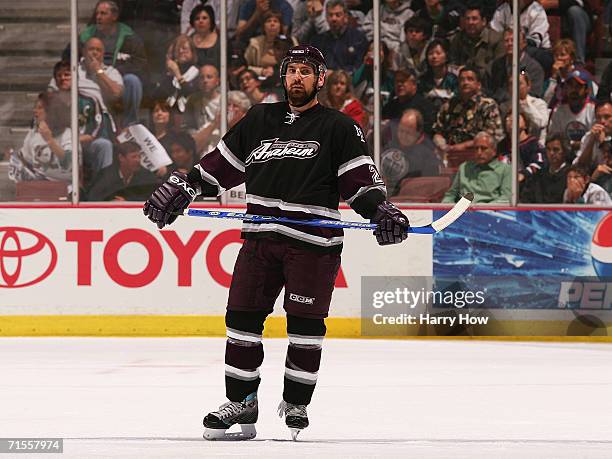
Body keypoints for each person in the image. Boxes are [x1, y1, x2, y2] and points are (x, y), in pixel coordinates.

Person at [143, 44, 411, 440]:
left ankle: (297, 403)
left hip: (313, 244)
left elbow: (359, 183)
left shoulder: (338, 126)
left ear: (320, 79)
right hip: (260, 240)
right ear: (283, 77)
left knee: (305, 328)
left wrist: (381, 211)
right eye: (292, 71)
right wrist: (187, 184)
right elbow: (219, 167)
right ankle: (242, 402)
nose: (297, 77)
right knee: (242, 322)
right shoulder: (260, 119)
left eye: (307, 71)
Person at [79, 0, 147, 126]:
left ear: (114, 16)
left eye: (103, 13)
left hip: (119, 77)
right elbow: (70, 56)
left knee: (133, 80)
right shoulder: (86, 35)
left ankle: (130, 124)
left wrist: (115, 72)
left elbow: (140, 62)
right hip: (90, 75)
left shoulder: (129, 37)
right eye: (97, 13)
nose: (98, 17)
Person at [432, 66, 503, 154]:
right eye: (462, 79)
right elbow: (438, 131)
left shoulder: (487, 105)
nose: (465, 82)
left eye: (470, 79)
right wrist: (441, 143)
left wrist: (461, 147)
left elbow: (492, 136)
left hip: (477, 155)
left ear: (478, 85)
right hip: (450, 155)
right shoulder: (449, 106)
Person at [8, 93, 72, 183]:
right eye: (35, 107)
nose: (35, 110)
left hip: (65, 188)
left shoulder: (68, 134)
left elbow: (69, 164)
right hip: (39, 187)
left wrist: (49, 140)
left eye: (40, 108)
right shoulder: (33, 134)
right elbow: (26, 161)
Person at [380, 108, 441, 195]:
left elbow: (429, 186)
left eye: (408, 133)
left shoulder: (428, 154)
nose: (403, 135)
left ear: (418, 132)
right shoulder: (389, 143)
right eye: (401, 130)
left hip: (409, 200)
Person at [442, 131, 511, 203]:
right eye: (476, 148)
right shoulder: (464, 167)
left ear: (494, 151)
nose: (479, 152)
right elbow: (451, 194)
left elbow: (505, 199)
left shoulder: (505, 170)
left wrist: (481, 210)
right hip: (462, 211)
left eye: (483, 148)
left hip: (489, 211)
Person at [86, 141, 159, 201]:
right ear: (121, 158)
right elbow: (93, 196)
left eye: (139, 156)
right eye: (133, 157)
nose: (138, 160)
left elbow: (154, 197)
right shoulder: (106, 175)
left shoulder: (146, 175)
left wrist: (127, 201)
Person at [311, 0, 369, 73]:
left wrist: (336, 74)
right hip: (325, 81)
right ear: (326, 17)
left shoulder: (358, 38)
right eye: (330, 15)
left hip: (350, 81)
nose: (334, 19)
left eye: (338, 15)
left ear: (345, 17)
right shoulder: (318, 41)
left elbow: (359, 67)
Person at [244, 10, 298, 78]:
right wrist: (262, 71)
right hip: (259, 80)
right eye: (268, 21)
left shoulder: (291, 41)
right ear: (263, 26)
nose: (272, 24)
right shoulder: (254, 43)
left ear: (280, 26)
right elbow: (245, 66)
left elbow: (298, 64)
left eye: (275, 21)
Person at [520, 133, 570, 203]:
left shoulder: (570, 176)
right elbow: (526, 199)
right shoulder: (538, 176)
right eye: (548, 149)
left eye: (556, 150)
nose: (551, 153)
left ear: (565, 151)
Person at [382, 68, 434, 134]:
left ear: (414, 85)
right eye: (397, 81)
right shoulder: (389, 107)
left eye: (403, 81)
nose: (399, 84)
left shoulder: (426, 107)